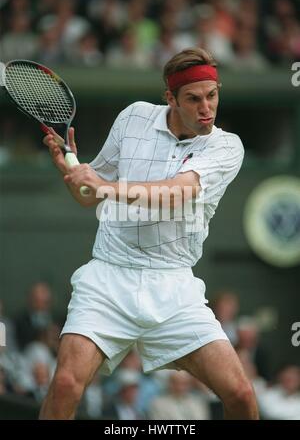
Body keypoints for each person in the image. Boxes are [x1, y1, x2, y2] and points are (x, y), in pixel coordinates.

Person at [40, 47, 259, 420]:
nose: (206, 108)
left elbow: (177, 192)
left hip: (174, 288)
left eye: (212, 95)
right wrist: (72, 172)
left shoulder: (227, 146)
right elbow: (88, 196)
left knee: (239, 394)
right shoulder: (133, 118)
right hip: (109, 277)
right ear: (170, 98)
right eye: (193, 99)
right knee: (65, 385)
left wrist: (104, 187)